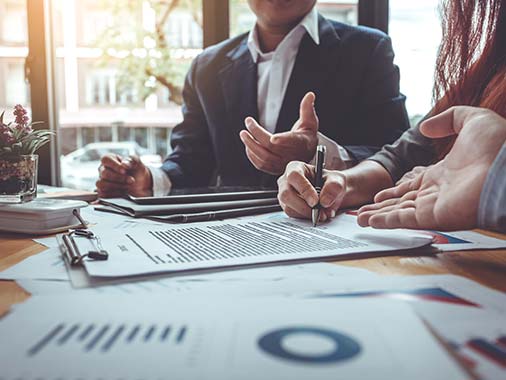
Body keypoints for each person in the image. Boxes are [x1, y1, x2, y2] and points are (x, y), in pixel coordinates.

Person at [96, 0, 409, 198]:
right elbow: (191, 159)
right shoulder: (208, 66)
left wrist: (319, 153)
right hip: (228, 235)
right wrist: (148, 180)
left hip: (330, 229)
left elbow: (398, 152)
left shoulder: (367, 50)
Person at [277, 0, 506, 232]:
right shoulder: (490, 67)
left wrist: (497, 181)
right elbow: (401, 157)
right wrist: (340, 184)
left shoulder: (366, 45)